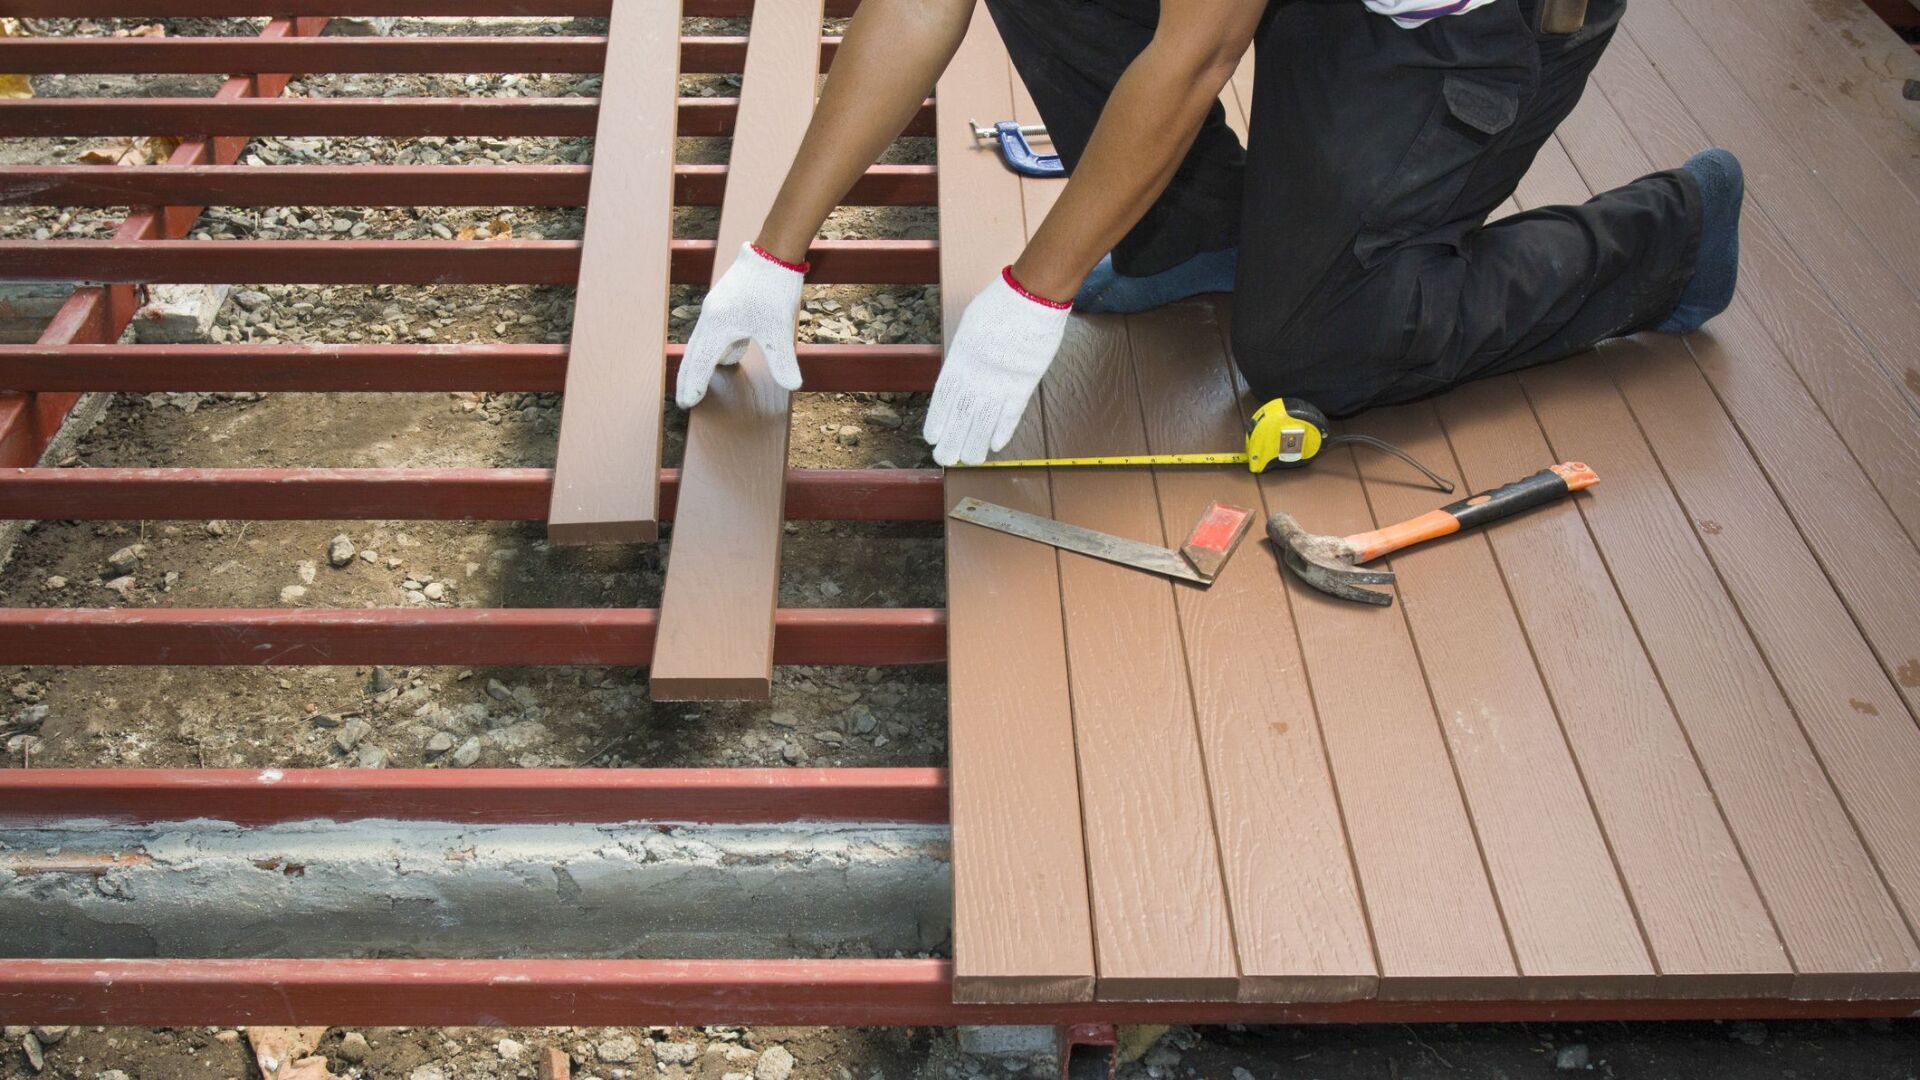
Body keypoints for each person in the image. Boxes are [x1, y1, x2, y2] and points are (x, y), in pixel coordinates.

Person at [675, 0, 1744, 467]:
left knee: (1312, 344)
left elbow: (1197, 53)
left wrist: (1030, 294)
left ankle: (1672, 237)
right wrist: (774, 256)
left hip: (1458, 31)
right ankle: (1194, 234)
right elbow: (915, 5)